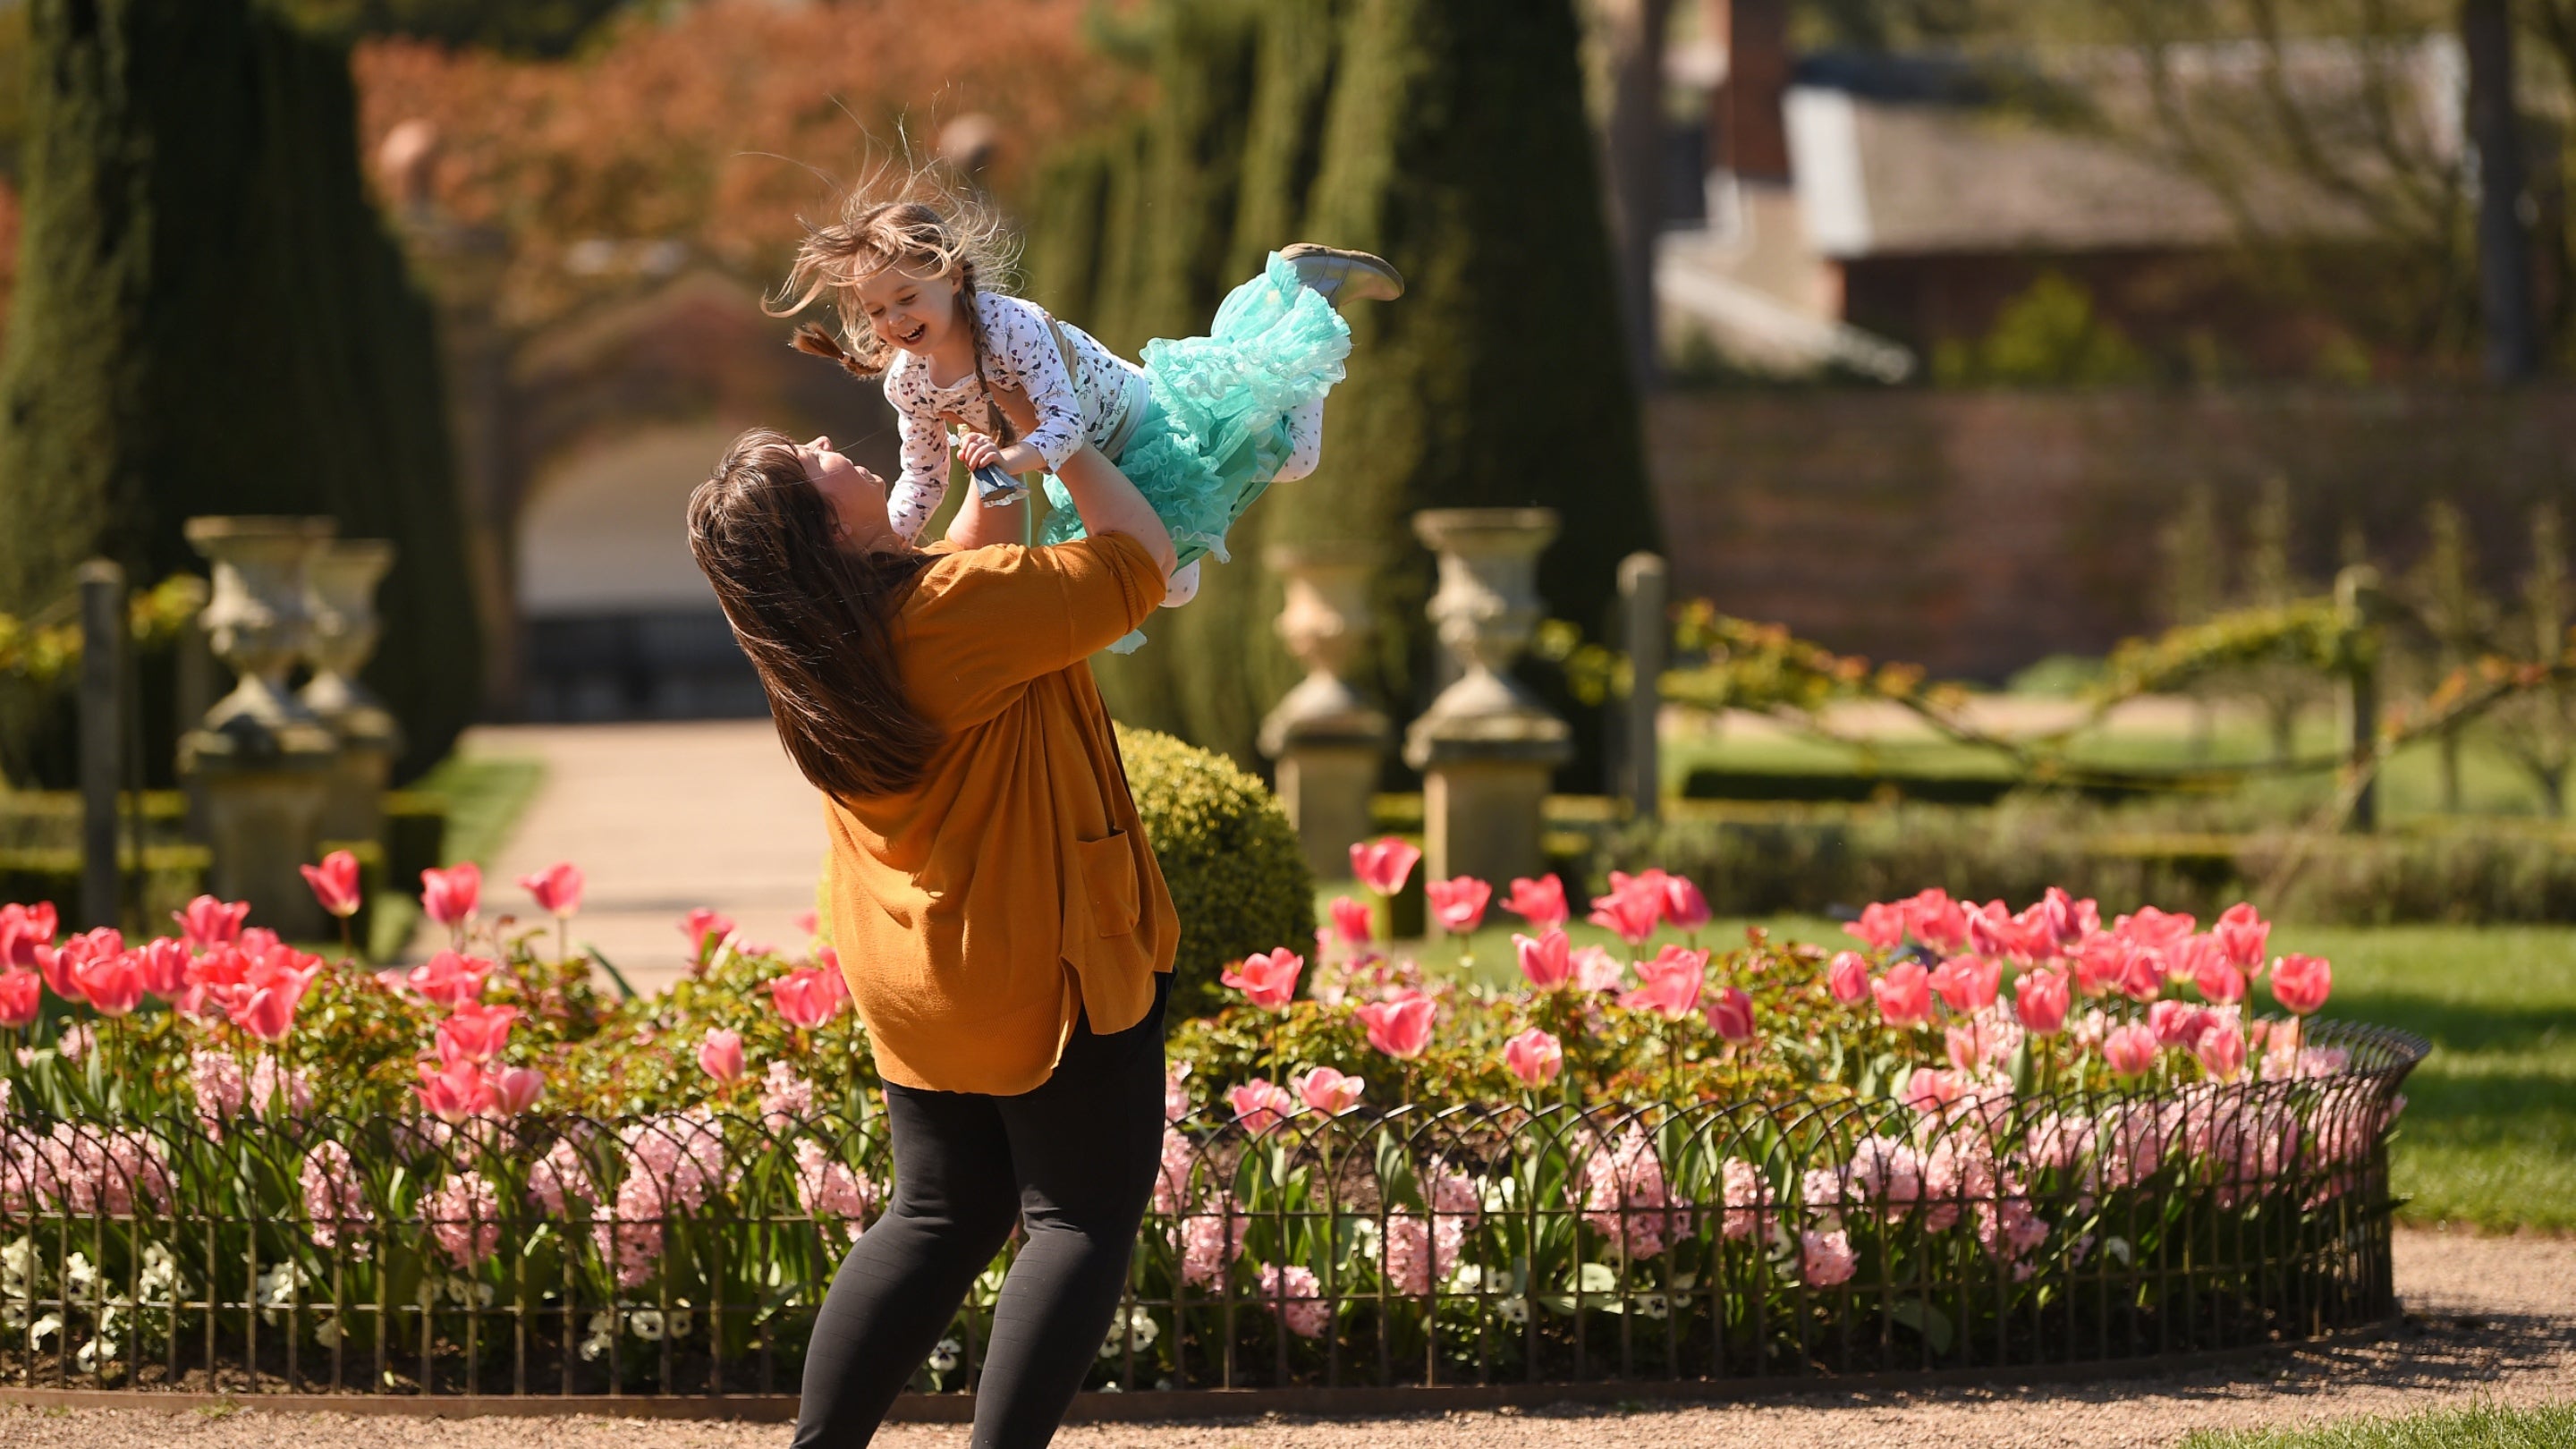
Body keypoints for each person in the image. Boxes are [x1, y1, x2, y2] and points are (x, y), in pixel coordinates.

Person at [687, 418, 1182, 1447]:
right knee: (1077, 1220)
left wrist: (994, 481)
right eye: (810, 459)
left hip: (913, 974)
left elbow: (956, 578)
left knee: (938, 1216)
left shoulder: (819, 648)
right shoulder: (949, 616)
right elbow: (1139, 563)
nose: (828, 438)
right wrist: (1064, 435)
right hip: (1038, 965)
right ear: (828, 532)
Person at [774, 179, 1400, 648]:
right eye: (876, 311)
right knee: (1172, 588)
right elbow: (924, 477)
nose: (895, 321)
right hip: (1094, 470)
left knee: (1296, 458)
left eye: (907, 298)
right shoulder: (910, 383)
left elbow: (1064, 426)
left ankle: (1304, 305)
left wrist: (1007, 458)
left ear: (953, 277)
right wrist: (887, 555)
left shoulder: (1012, 326)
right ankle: (1286, 315)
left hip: (1145, 419)